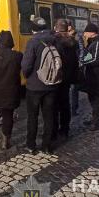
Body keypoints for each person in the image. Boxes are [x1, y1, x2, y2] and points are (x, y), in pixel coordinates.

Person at [21, 17, 59, 154]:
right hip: (51, 85)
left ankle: (31, 145)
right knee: (49, 116)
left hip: (35, 86)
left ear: (33, 29)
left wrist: (27, 77)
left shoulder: (33, 42)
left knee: (33, 117)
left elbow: (26, 65)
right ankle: (47, 146)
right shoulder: (55, 39)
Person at [52, 19, 79, 141]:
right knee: (65, 105)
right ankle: (65, 129)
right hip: (67, 78)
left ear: (55, 28)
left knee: (54, 105)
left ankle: (55, 129)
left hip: (57, 77)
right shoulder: (73, 42)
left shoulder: (54, 41)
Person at [79, 23, 99, 131]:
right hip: (93, 74)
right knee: (92, 98)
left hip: (96, 76)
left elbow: (96, 59)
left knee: (95, 98)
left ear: (92, 33)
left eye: (86, 32)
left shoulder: (98, 43)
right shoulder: (94, 42)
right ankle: (94, 119)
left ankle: (97, 123)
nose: (84, 34)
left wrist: (83, 62)